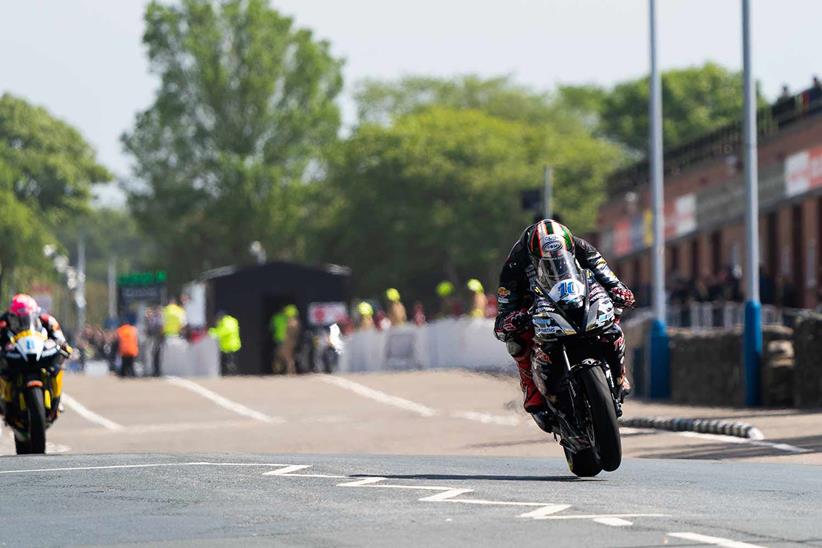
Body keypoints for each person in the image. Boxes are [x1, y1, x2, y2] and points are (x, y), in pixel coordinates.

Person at [493, 219, 635, 432]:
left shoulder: (582, 247)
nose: (555, 261)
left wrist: (619, 291)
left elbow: (606, 275)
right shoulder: (514, 264)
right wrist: (515, 318)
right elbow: (504, 314)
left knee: (613, 318)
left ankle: (619, 375)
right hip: (536, 304)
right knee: (516, 341)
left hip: (577, 297)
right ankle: (531, 390)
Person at [0, 294, 70, 416]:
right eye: (18, 317)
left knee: (57, 368)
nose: (23, 319)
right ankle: (5, 402)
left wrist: (63, 345)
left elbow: (58, 334)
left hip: (38, 350)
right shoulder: (4, 321)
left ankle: (57, 399)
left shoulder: (46, 318)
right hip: (16, 354)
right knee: (3, 372)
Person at [209, 311, 241, 375]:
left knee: (231, 363)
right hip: (226, 347)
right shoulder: (229, 321)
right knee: (226, 363)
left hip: (231, 346)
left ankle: (233, 375)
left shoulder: (228, 322)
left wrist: (212, 332)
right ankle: (228, 375)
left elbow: (223, 331)